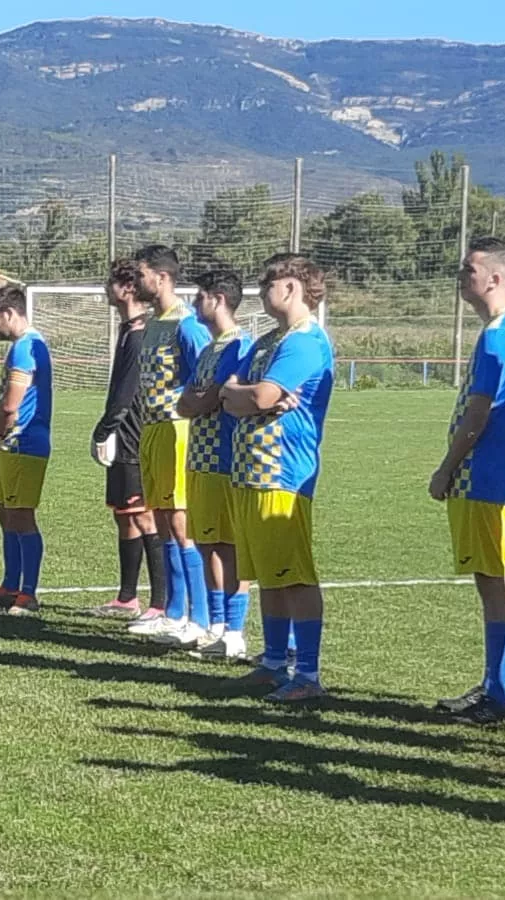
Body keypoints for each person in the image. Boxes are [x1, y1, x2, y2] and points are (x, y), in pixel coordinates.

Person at [429, 237, 505, 726]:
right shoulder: (503, 330)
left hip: (487, 478)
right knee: (489, 580)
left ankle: (499, 695)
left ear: (495, 278)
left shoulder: (500, 336)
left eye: (469, 268)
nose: (461, 274)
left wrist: (447, 466)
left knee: (495, 581)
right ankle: (493, 686)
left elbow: (478, 412)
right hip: (485, 478)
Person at [223, 254, 335, 700]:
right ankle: (273, 662)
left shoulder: (304, 342)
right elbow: (230, 392)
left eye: (267, 283)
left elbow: (264, 393)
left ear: (290, 287)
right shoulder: (269, 339)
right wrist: (244, 395)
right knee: (269, 575)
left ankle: (307, 674)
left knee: (294, 576)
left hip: (282, 472)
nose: (262, 291)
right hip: (251, 471)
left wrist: (252, 395)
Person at [129, 245, 213, 641]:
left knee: (181, 523)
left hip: (176, 429)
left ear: (161, 277)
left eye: (141, 273)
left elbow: (205, 377)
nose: (137, 282)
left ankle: (199, 618)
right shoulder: (152, 323)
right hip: (152, 429)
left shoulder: (187, 324)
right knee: (162, 520)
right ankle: (174, 611)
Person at [177, 269, 257, 660]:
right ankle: (218, 627)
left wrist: (200, 399)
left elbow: (210, 400)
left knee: (232, 547)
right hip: (200, 459)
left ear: (219, 299)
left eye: (200, 296)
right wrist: (198, 398)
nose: (195, 303)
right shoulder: (209, 348)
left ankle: (235, 632)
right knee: (208, 544)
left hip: (226, 459)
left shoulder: (239, 346)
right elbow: (185, 401)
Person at [92, 262, 168, 620]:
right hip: (124, 437)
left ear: (126, 288)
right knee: (124, 517)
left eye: (110, 283)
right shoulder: (128, 329)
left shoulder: (140, 333)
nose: (105, 288)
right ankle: (126, 597)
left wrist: (106, 428)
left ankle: (159, 603)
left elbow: (127, 391)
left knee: (146, 519)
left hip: (136, 437)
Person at [0, 285, 51, 615]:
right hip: (12, 444)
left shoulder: (26, 348)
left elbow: (11, 405)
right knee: (7, 515)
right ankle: (10, 585)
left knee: (22, 516)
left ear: (9, 314)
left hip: (24, 443)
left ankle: (28, 592)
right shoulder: (22, 346)